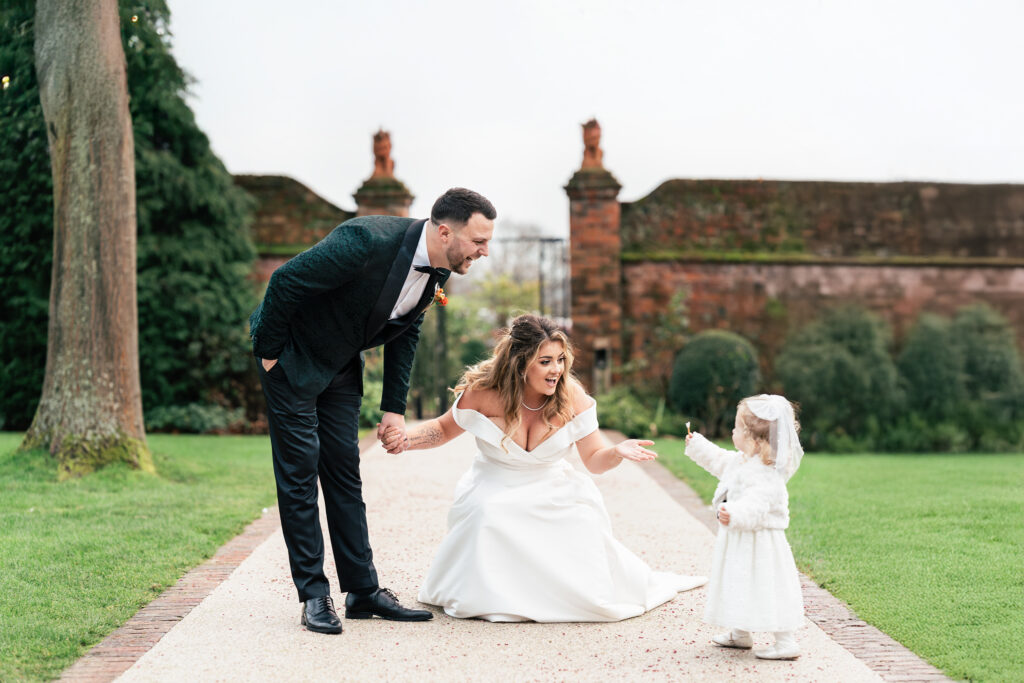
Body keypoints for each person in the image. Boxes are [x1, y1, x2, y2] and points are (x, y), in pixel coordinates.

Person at [250, 188, 497, 634]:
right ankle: (313, 594)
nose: (484, 251)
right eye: (479, 241)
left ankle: (362, 591)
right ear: (445, 232)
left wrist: (393, 409)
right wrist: (269, 354)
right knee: (300, 474)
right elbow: (284, 281)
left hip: (342, 365)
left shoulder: (437, 269)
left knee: (345, 470)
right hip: (292, 358)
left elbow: (407, 331)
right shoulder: (365, 241)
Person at [381, 314, 706, 622]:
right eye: (546, 361)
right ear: (521, 363)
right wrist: (405, 440)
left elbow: (594, 460)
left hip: (550, 483)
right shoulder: (482, 393)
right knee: (489, 512)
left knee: (581, 518)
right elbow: (442, 429)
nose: (557, 370)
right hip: (495, 481)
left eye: (561, 360)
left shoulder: (571, 396)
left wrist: (616, 452)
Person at [683, 395, 805, 659]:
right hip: (741, 541)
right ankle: (740, 633)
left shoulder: (767, 474)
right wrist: (698, 445)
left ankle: (786, 641)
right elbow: (719, 460)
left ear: (756, 440)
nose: (732, 431)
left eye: (738, 428)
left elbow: (757, 505)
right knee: (738, 582)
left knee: (767, 586)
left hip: (761, 545)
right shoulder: (742, 460)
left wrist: (734, 513)